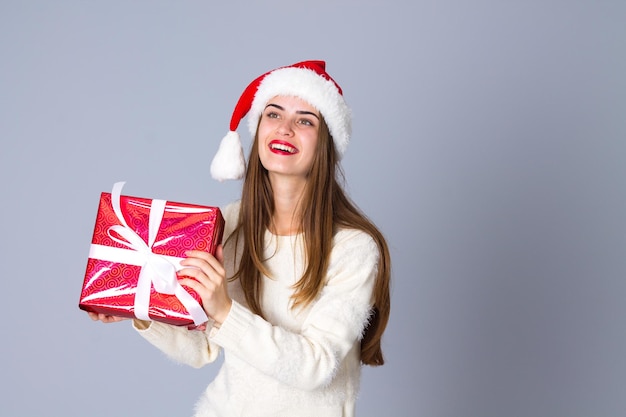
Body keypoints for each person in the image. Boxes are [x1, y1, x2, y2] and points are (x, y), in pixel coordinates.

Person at [89, 60, 391, 417]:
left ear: (326, 142)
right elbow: (202, 347)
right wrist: (138, 308)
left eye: (305, 120)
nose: (285, 129)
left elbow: (317, 365)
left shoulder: (353, 248)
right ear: (258, 128)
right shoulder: (230, 223)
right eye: (273, 115)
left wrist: (225, 310)